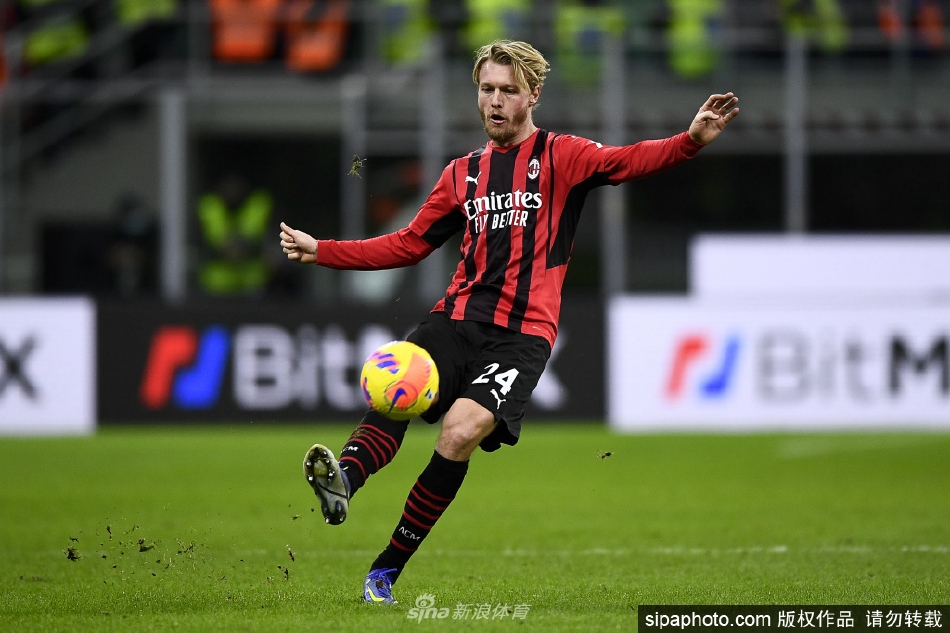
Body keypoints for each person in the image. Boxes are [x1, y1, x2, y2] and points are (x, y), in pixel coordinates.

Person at [278, 39, 738, 605]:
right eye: (486, 89)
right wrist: (323, 250)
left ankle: (385, 571)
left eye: (508, 91)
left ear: (533, 95)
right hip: (456, 318)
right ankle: (344, 481)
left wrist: (689, 141)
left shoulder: (564, 156)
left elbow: (628, 160)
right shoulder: (462, 173)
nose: (494, 101)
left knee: (460, 432)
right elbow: (409, 243)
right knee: (398, 383)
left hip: (521, 337)